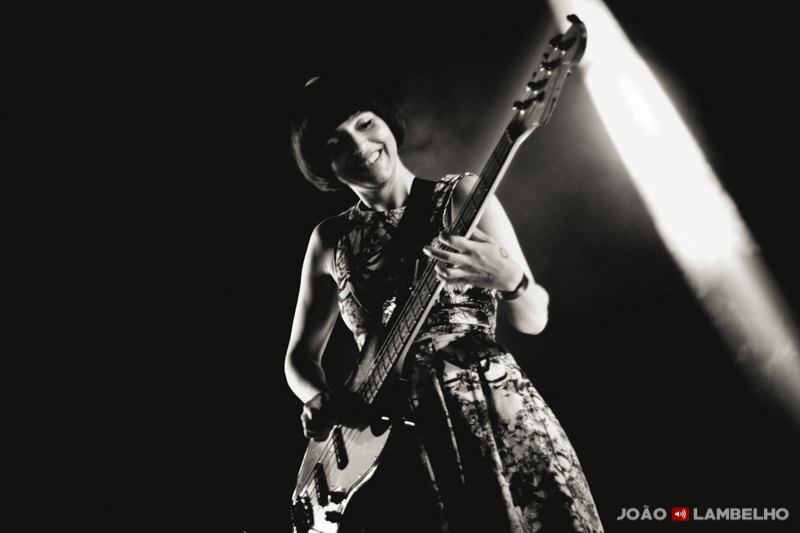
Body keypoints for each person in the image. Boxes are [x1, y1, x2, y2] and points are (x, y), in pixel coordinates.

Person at [285, 74, 603, 532]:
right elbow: (298, 358)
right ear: (324, 165)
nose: (360, 144)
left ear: (387, 123)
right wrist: (317, 397)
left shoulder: (461, 197)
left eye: (365, 123)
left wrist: (511, 281)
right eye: (338, 143)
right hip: (395, 448)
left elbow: (534, 318)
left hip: (491, 409)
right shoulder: (329, 240)